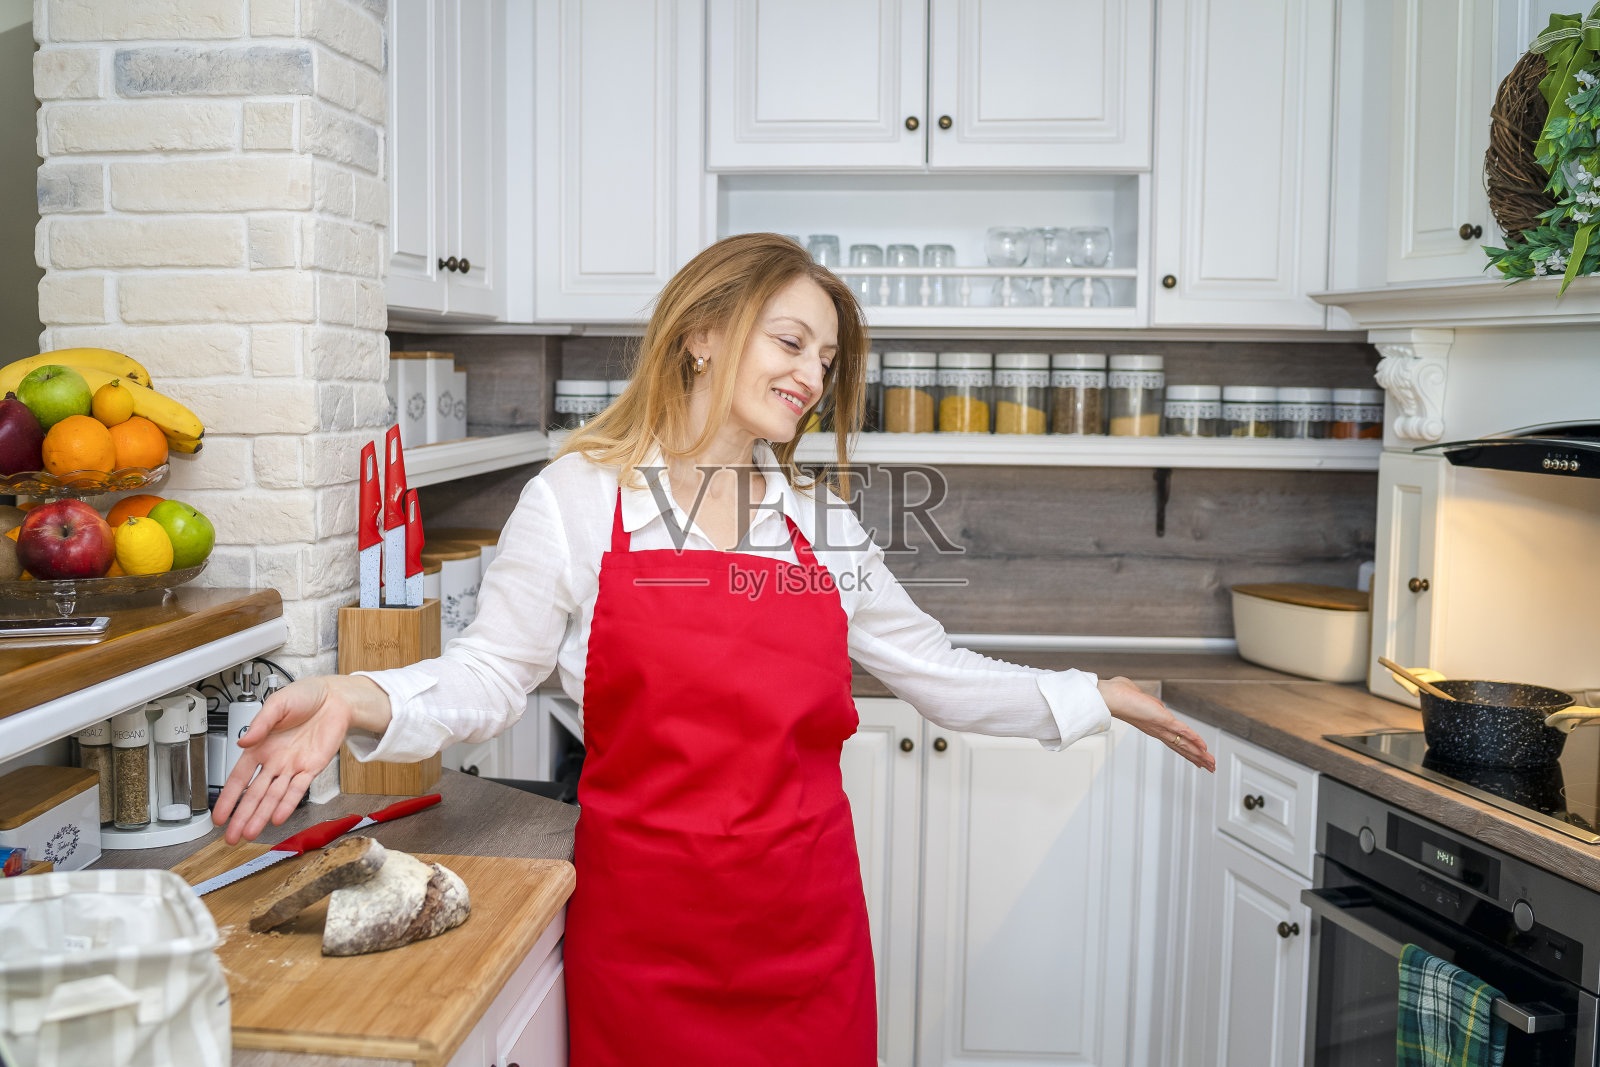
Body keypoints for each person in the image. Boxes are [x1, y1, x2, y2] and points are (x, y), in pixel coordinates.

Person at [213, 232, 1216, 1066]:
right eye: (790, 340)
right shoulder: (577, 499)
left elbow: (937, 675)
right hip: (645, 941)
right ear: (700, 333)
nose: (810, 375)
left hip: (805, 937)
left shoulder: (819, 528)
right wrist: (357, 693)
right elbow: (489, 677)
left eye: (825, 360)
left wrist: (1097, 692)